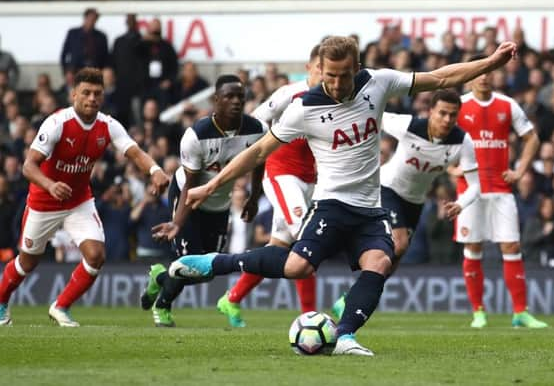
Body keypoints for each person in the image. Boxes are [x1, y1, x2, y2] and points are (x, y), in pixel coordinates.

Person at [168, 36, 516, 356]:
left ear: (357, 68)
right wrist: (212, 185)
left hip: (370, 207)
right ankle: (214, 262)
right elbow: (259, 151)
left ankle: (345, 336)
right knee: (297, 267)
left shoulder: (378, 83)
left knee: (381, 261)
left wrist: (490, 63)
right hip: (331, 204)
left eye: (343, 75)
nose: (335, 83)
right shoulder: (304, 107)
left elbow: (440, 78)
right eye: (329, 75)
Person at [0, 67, 169, 327]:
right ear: (74, 94)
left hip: (78, 201)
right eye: (86, 93)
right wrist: (50, 184)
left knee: (96, 255)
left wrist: (155, 171)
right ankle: (1, 301)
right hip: (43, 202)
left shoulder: (107, 125)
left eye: (97, 94)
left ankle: (61, 306)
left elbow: (135, 152)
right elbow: (28, 166)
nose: (92, 98)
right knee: (27, 261)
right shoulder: (57, 123)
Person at [331, 89, 481, 319]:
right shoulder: (409, 125)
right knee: (398, 244)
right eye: (442, 113)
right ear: (431, 111)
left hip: (415, 201)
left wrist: (461, 204)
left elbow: (476, 185)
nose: (447, 120)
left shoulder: (462, 141)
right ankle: (355, 296)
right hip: (387, 189)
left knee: (396, 257)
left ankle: (351, 297)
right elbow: (372, 115)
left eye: (453, 115)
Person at [143, 75, 267, 327]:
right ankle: (163, 306)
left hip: (220, 203)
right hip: (189, 198)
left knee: (207, 271)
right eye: (229, 96)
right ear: (215, 100)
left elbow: (259, 162)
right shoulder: (196, 136)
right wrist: (178, 222)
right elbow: (190, 184)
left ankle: (160, 277)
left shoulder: (257, 129)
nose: (235, 102)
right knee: (186, 262)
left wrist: (254, 197)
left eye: (240, 97)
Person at [216, 44, 322, 328]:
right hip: (281, 173)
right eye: (321, 69)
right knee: (306, 241)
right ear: (309, 68)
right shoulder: (289, 93)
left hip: (309, 180)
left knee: (279, 245)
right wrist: (249, 160)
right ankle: (308, 316)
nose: (327, 77)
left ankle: (233, 297)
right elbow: (255, 121)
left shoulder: (333, 99)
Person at [453, 58, 548, 329]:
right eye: (479, 73)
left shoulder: (507, 105)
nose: (484, 77)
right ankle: (478, 312)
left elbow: (531, 138)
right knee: (474, 247)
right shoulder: (460, 106)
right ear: (470, 77)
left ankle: (520, 312)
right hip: (470, 189)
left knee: (511, 246)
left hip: (501, 187)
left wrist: (519, 170)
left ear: (495, 77)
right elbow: (440, 138)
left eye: (488, 73)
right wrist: (450, 168)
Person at [59, 8, 109, 74]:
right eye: (90, 18)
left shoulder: (101, 36)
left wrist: (103, 71)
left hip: (95, 70)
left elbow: (106, 56)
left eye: (94, 19)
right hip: (76, 70)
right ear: (85, 18)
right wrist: (66, 71)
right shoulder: (73, 33)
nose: (92, 21)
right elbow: (64, 53)